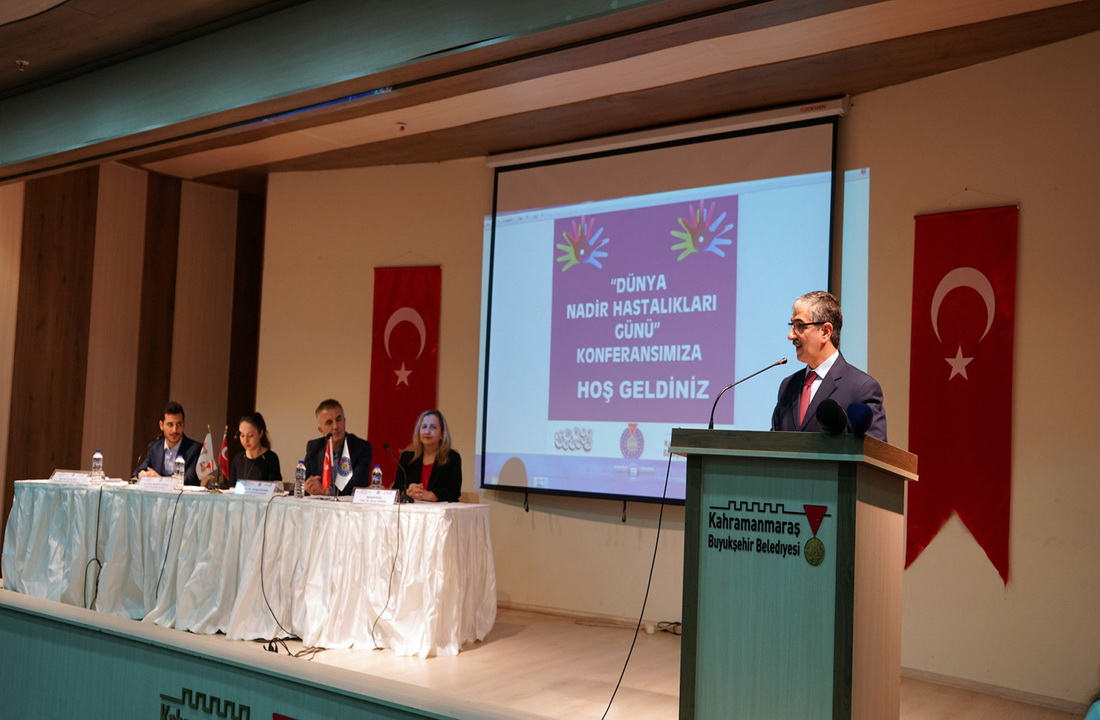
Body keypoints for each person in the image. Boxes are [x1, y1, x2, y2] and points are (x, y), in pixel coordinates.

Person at [771, 291, 888, 441]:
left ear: (825, 332)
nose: (790, 336)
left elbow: (874, 451)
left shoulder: (862, 388)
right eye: (792, 325)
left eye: (799, 326)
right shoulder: (788, 386)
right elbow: (773, 444)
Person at [302, 398, 373, 496]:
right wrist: (308, 486)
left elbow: (357, 485)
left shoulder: (361, 447)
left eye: (338, 419)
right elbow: (303, 480)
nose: (335, 426)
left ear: (344, 421)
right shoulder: (314, 447)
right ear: (321, 430)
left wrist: (327, 491)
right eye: (329, 422)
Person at [397, 409, 462, 502]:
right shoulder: (407, 457)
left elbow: (453, 492)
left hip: (440, 510)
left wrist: (430, 495)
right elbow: (396, 489)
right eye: (424, 427)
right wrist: (407, 492)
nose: (427, 431)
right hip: (411, 509)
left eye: (433, 427)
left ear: (442, 434)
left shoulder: (452, 457)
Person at [133, 401, 203, 485]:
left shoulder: (195, 449)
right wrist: (142, 474)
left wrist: (160, 479)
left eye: (179, 424)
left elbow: (191, 479)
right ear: (161, 425)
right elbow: (138, 472)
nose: (174, 430)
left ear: (184, 424)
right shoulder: (154, 448)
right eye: (170, 424)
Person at [230, 412, 282, 485]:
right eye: (242, 435)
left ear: (260, 433)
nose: (245, 440)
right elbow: (232, 488)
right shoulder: (238, 459)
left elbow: (275, 487)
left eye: (250, 435)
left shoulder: (271, 458)